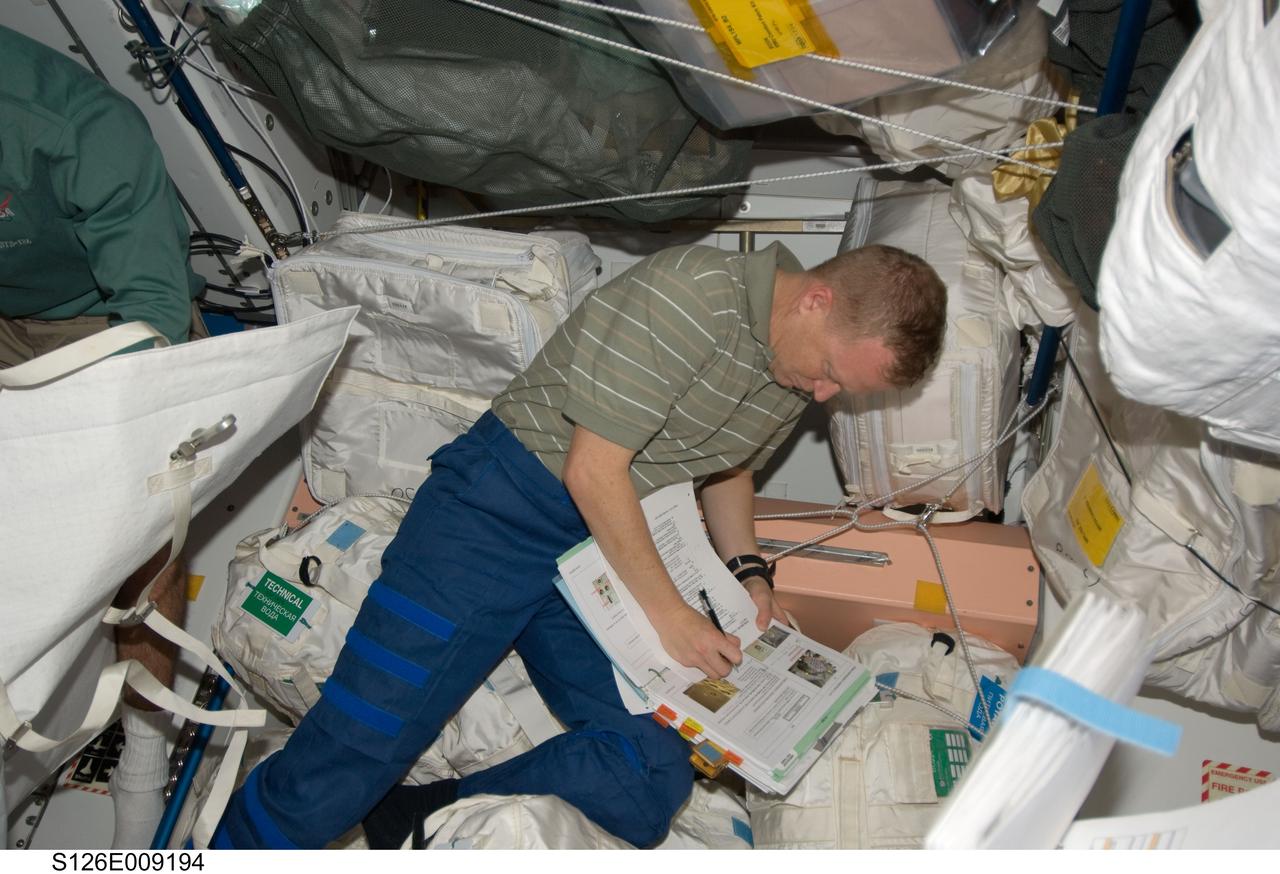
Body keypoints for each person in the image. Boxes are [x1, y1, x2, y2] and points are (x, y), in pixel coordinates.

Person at [212, 240, 947, 849]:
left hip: (607, 549)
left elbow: (731, 465)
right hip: (500, 512)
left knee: (651, 775)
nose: (821, 396)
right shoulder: (692, 295)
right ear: (815, 300)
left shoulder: (791, 357)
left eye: (837, 392)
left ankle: (414, 815)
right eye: (827, 374)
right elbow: (593, 471)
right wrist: (673, 617)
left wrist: (748, 571)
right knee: (358, 748)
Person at [0, 25, 207, 848]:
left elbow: (152, 320)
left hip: (93, 319)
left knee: (146, 528)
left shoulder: (80, 125)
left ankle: (144, 761)